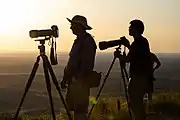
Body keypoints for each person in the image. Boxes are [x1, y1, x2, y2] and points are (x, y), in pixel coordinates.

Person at [60, 15, 97, 120]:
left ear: (79, 26)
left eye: (72, 25)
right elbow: (72, 62)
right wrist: (66, 78)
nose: (71, 27)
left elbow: (86, 64)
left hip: (80, 82)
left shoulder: (87, 41)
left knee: (80, 112)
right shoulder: (80, 40)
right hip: (75, 81)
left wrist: (78, 79)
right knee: (75, 110)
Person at [120, 19, 153, 120]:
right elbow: (136, 55)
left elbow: (129, 59)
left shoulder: (138, 43)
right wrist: (128, 46)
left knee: (135, 104)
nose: (129, 29)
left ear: (137, 29)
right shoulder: (142, 42)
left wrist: (120, 55)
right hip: (142, 78)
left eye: (131, 27)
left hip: (138, 79)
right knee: (138, 103)